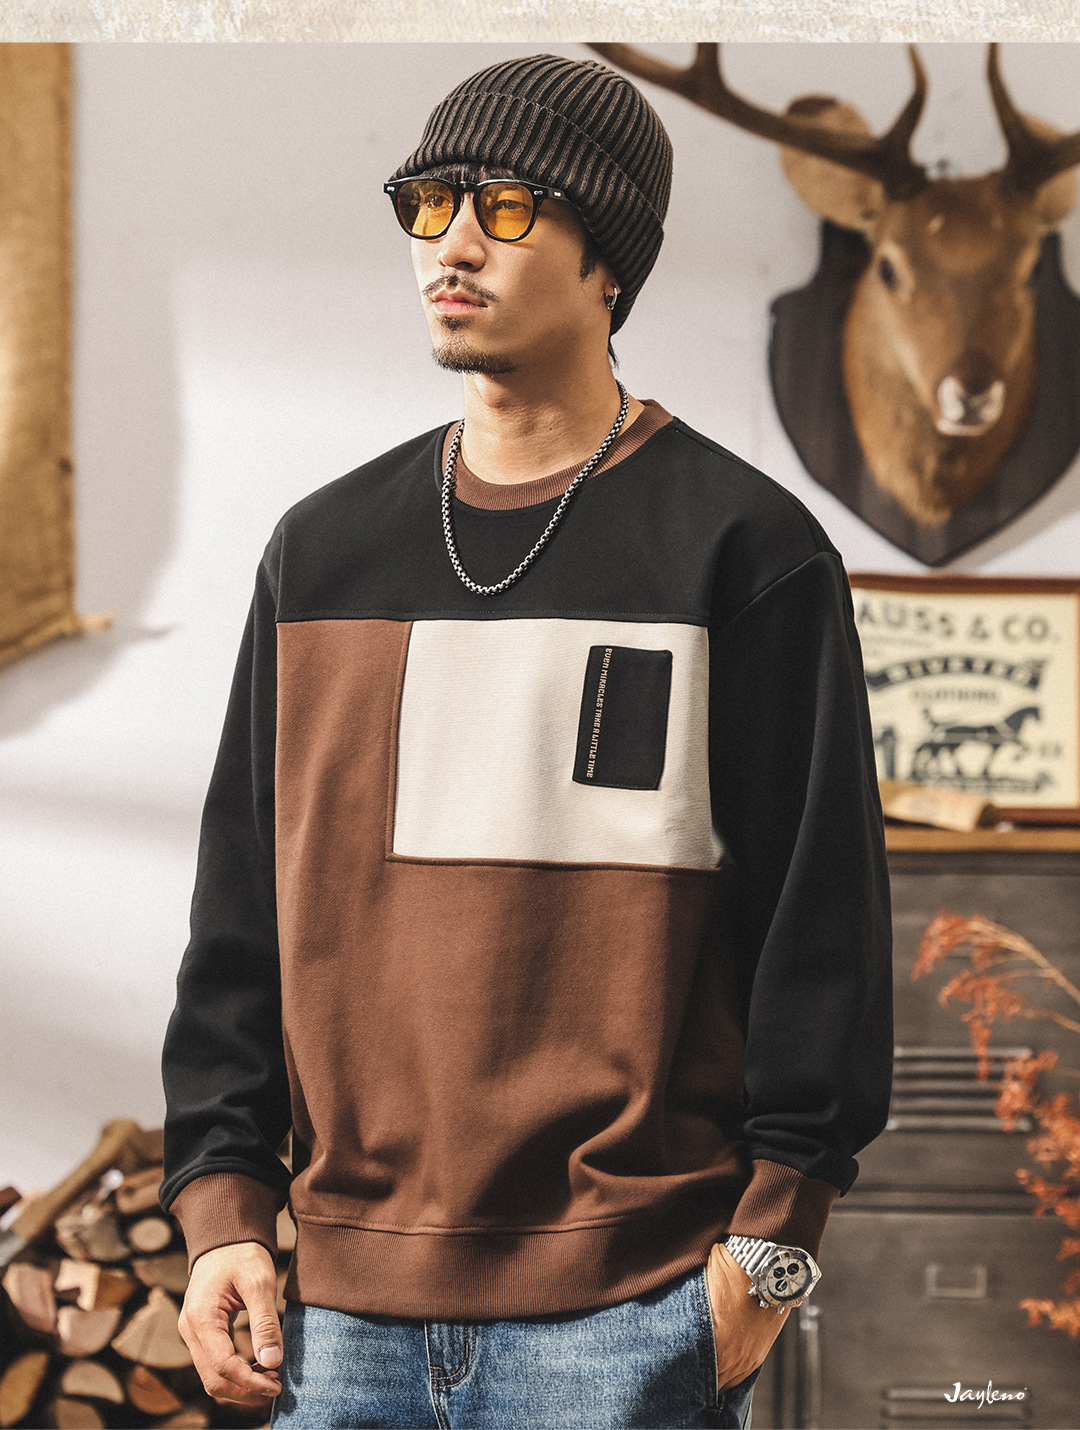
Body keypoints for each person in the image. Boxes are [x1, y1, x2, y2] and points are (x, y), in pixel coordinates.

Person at [159, 51, 893, 1430]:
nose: (451, 244)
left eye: (505, 208)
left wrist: (769, 1251)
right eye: (428, 204)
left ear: (608, 257)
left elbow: (824, 927)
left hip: (632, 1308)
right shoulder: (322, 553)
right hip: (339, 1317)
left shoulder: (744, 549)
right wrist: (220, 1211)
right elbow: (242, 913)